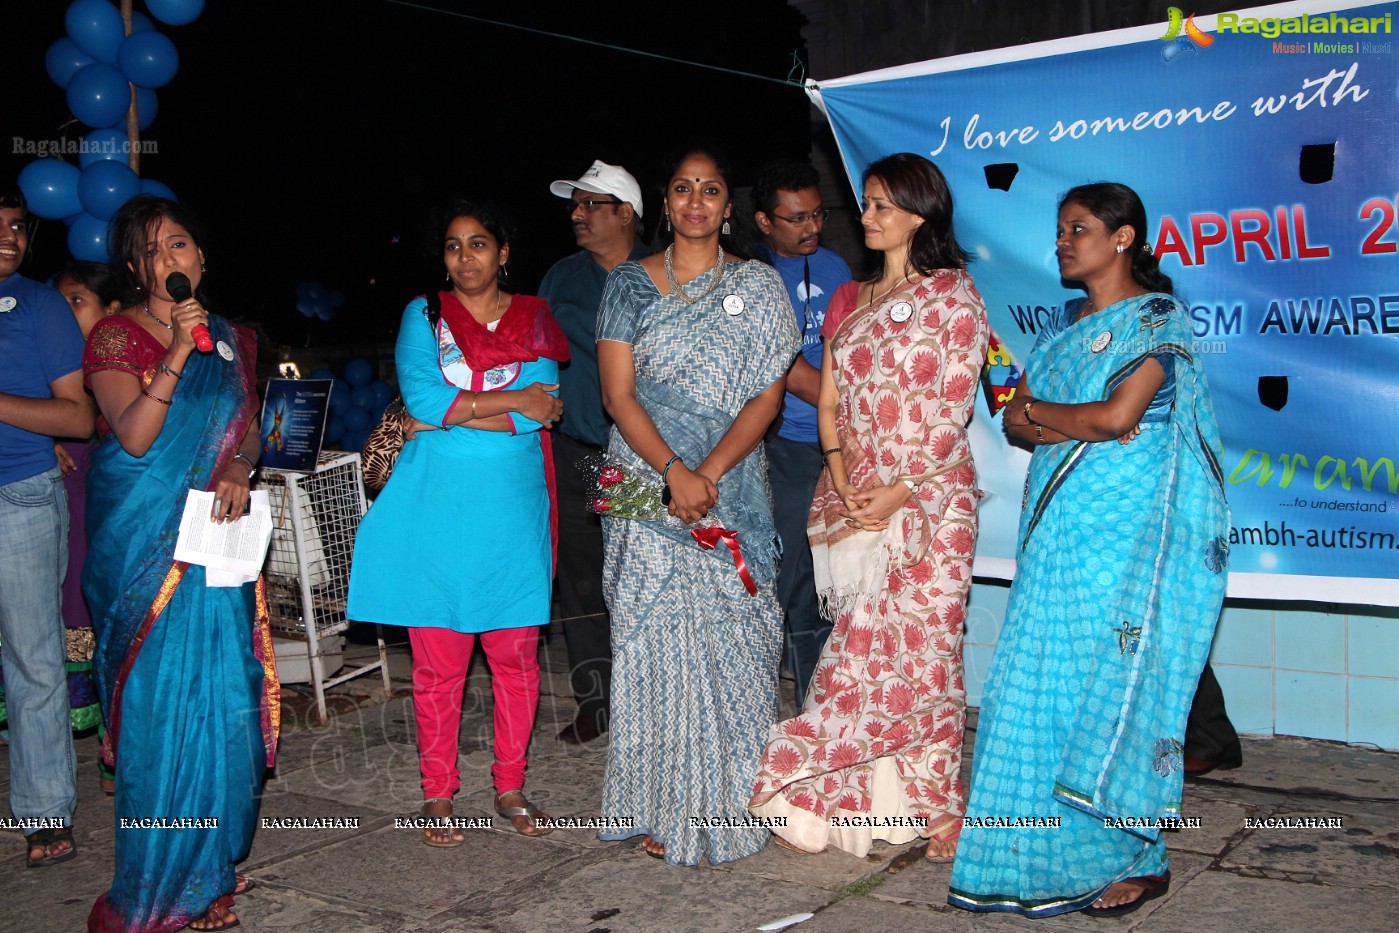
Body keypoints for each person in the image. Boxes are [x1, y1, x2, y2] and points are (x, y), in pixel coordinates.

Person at [948, 182, 1229, 918]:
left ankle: (1141, 855)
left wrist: (1047, 415)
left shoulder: (1158, 318)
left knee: (1116, 692)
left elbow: (1114, 416)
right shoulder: (1063, 328)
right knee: (1041, 690)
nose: (1063, 241)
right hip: (1058, 535)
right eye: (1059, 228)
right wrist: (1050, 416)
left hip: (1123, 539)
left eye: (1079, 228)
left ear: (1124, 237)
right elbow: (1014, 425)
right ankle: (1037, 851)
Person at [749, 153, 987, 861]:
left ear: (920, 212)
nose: (867, 216)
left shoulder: (953, 293)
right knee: (860, 654)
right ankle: (865, 797)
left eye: (883, 204)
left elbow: (952, 405)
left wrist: (897, 489)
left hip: (931, 503)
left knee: (926, 655)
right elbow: (828, 398)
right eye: (868, 203)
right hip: (855, 498)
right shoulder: (853, 301)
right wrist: (841, 474)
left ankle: (938, 802)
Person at [596, 146, 800, 865]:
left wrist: (707, 471)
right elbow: (617, 393)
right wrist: (673, 470)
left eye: (709, 189)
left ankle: (732, 797)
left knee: (735, 641)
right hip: (642, 485)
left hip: (731, 487)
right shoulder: (627, 285)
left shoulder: (758, 286)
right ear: (665, 200)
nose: (694, 201)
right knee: (650, 641)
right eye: (682, 188)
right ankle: (658, 801)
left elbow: (768, 393)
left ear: (726, 206)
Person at [84, 195, 276, 931]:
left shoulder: (230, 338)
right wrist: (172, 351)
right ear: (136, 266)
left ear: (201, 258)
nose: (171, 260)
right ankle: (159, 884)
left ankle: (210, 871)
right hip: (146, 551)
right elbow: (133, 436)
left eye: (181, 246)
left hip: (214, 543)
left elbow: (252, 428)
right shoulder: (113, 337)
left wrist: (240, 466)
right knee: (164, 711)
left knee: (224, 697)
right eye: (153, 250)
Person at [347, 199, 567, 845]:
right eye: (452, 245)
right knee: (437, 661)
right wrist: (503, 400)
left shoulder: (534, 317)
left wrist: (459, 411)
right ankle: (437, 792)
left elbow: (542, 413)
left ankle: (510, 783)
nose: (464, 257)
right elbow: (422, 398)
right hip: (434, 506)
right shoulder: (425, 315)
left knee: (515, 657)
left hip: (510, 507)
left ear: (503, 253)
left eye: (477, 244)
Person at [541, 160, 650, 745]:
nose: (577, 215)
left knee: (641, 575)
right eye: (575, 205)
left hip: (638, 456)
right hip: (576, 449)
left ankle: (648, 697)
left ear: (625, 212)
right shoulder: (561, 278)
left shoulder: (664, 272)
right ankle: (594, 700)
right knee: (580, 579)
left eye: (591, 204)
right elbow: (537, 351)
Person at [0, 185, 93, 869]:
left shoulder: (40, 306)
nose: (9, 236)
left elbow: (77, 417)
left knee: (33, 661)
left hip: (20, 497)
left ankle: (43, 812)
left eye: (16, 226)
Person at [751, 158, 852, 707]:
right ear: (765, 222)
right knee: (792, 576)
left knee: (836, 573)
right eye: (796, 219)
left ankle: (825, 701)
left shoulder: (836, 267)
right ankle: (788, 702)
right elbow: (783, 367)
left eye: (818, 214)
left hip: (841, 439)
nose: (812, 227)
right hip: (785, 444)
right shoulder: (751, 278)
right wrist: (847, 402)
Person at [55, 262, 123, 791]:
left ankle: (114, 752)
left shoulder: (124, 360)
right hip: (59, 502)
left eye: (78, 301)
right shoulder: (49, 361)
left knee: (105, 616)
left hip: (110, 501)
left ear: (112, 312)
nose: (66, 313)